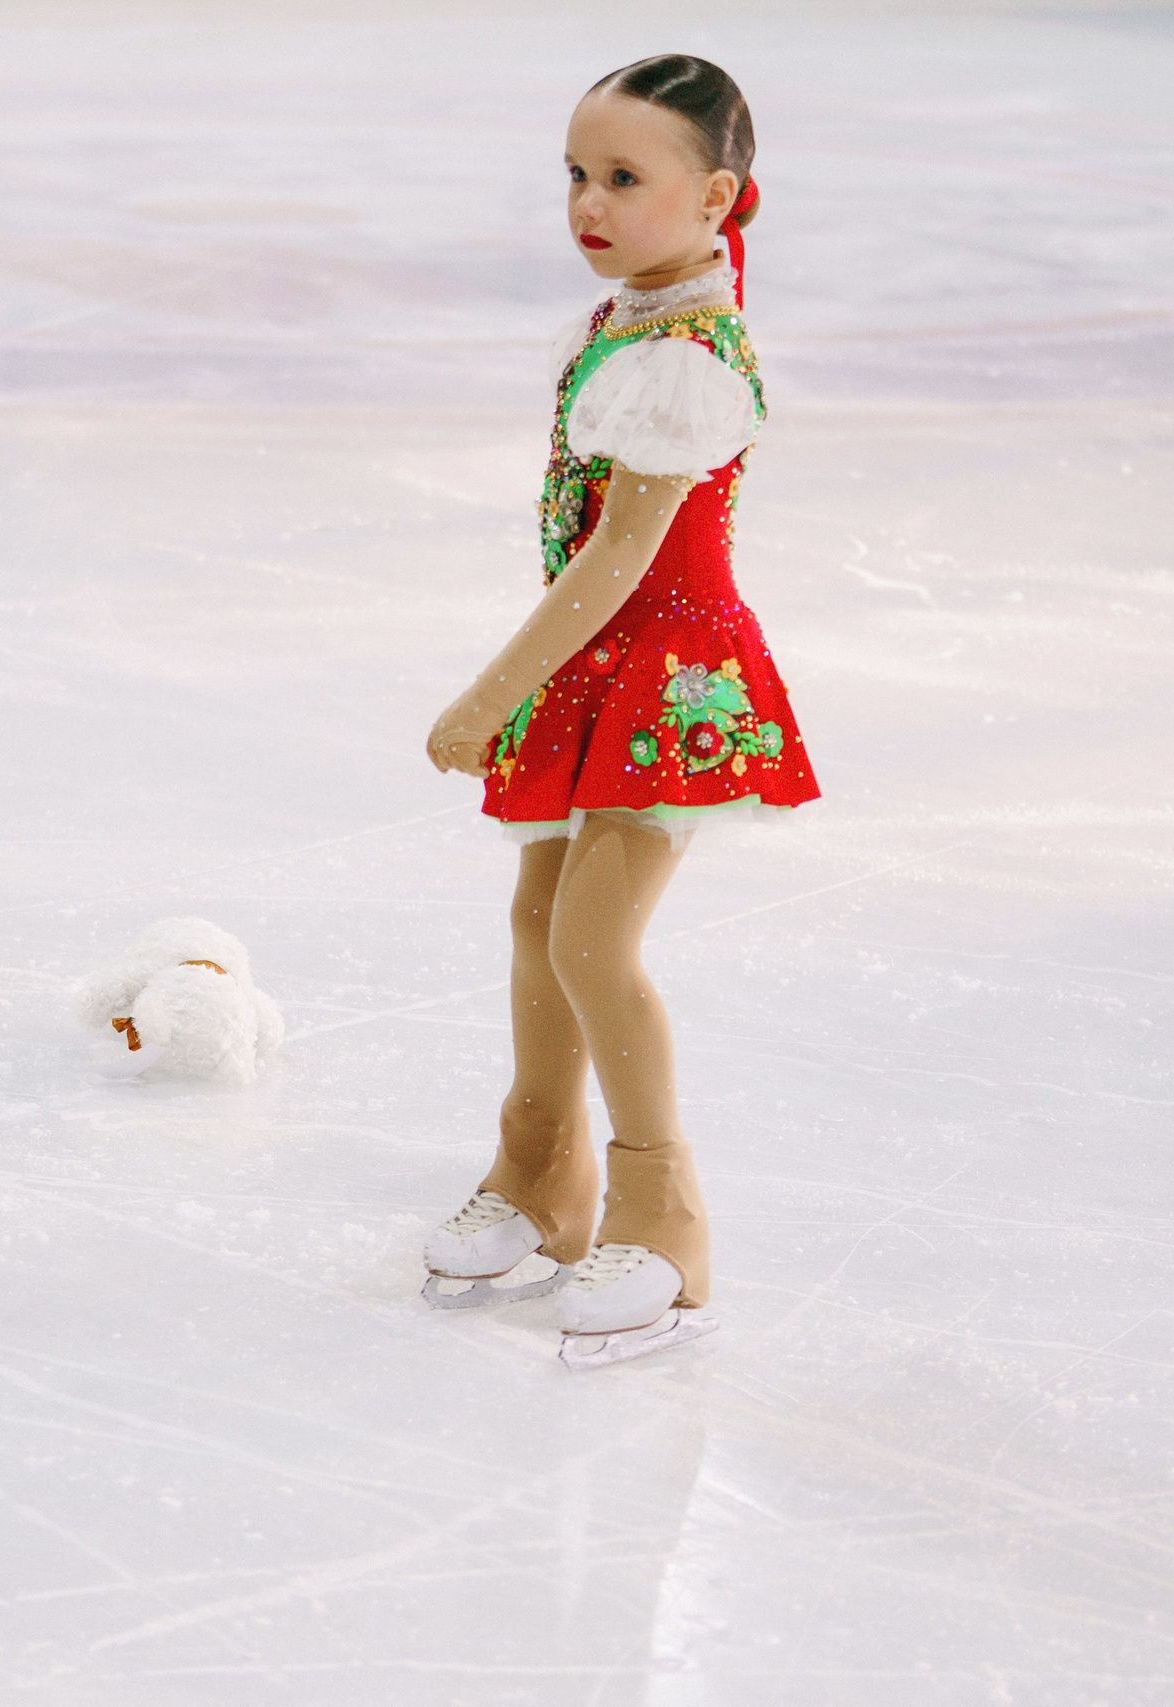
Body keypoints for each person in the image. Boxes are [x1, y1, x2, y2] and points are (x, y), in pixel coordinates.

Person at [418, 54, 821, 1368]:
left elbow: (619, 559)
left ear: (715, 198)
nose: (589, 203)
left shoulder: (685, 359)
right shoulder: (626, 324)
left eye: (624, 178)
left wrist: (493, 692)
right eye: (577, 175)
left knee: (594, 938)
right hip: (598, 671)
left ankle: (665, 1216)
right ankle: (541, 1173)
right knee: (538, 924)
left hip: (666, 683)